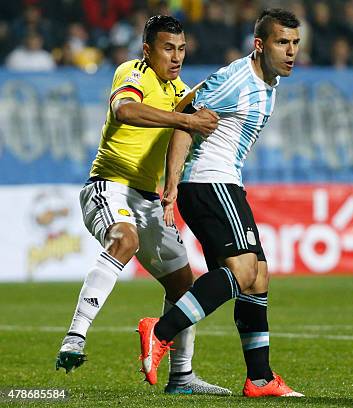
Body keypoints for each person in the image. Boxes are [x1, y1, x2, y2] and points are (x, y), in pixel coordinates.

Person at [55, 15, 231, 396]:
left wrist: (171, 189)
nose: (176, 56)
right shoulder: (132, 73)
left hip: (148, 200)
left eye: (182, 49)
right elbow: (126, 112)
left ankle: (182, 377)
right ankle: (75, 337)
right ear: (148, 50)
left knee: (186, 284)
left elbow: (178, 143)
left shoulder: (181, 91)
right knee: (125, 240)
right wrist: (184, 119)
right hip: (109, 186)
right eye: (168, 48)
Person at [136, 8, 303, 398]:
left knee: (257, 275)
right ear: (260, 45)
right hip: (210, 181)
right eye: (282, 42)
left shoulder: (268, 82)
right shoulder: (237, 79)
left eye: (295, 43)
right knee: (244, 270)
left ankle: (259, 379)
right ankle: (159, 330)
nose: (291, 50)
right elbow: (185, 118)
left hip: (225, 183)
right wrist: (172, 185)